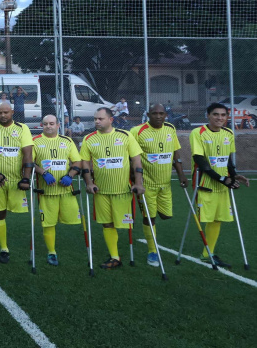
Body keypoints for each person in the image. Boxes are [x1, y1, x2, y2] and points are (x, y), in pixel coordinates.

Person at [81, 107, 145, 269]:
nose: (97, 121)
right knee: (107, 223)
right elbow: (85, 164)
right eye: (95, 118)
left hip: (123, 191)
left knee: (125, 224)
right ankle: (115, 257)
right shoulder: (88, 139)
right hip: (101, 191)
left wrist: (138, 183)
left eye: (100, 119)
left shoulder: (125, 136)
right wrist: (89, 183)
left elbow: (136, 161)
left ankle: (121, 253)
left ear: (111, 119)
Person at [189, 103, 250, 268]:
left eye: (223, 115)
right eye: (216, 114)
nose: (220, 118)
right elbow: (201, 162)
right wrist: (223, 179)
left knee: (218, 220)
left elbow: (227, 159)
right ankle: (207, 253)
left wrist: (233, 175)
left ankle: (207, 254)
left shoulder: (229, 133)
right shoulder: (198, 133)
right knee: (208, 218)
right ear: (208, 115)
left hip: (222, 184)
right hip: (204, 184)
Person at [132, 104, 188, 268]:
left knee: (166, 215)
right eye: (154, 113)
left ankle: (152, 242)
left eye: (161, 113)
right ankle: (152, 251)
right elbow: (130, 155)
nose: (158, 116)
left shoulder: (170, 128)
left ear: (166, 115)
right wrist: (136, 180)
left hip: (165, 184)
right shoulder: (137, 131)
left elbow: (175, 153)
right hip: (146, 184)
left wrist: (181, 174)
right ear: (148, 114)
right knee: (150, 218)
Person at [0, 100, 34, 264]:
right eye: (0, 113)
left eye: (6, 112)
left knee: (24, 214)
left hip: (17, 180)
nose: (3, 115)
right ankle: (4, 249)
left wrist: (26, 177)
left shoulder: (22, 128)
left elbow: (28, 154)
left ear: (12, 112)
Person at [32, 115, 83, 266]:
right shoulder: (35, 141)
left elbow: (77, 162)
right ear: (42, 125)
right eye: (46, 124)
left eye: (52, 123)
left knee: (75, 220)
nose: (49, 126)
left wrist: (70, 175)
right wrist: (44, 173)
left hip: (67, 191)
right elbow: (29, 163)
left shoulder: (66, 141)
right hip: (46, 192)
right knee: (48, 223)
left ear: (58, 125)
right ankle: (52, 252)